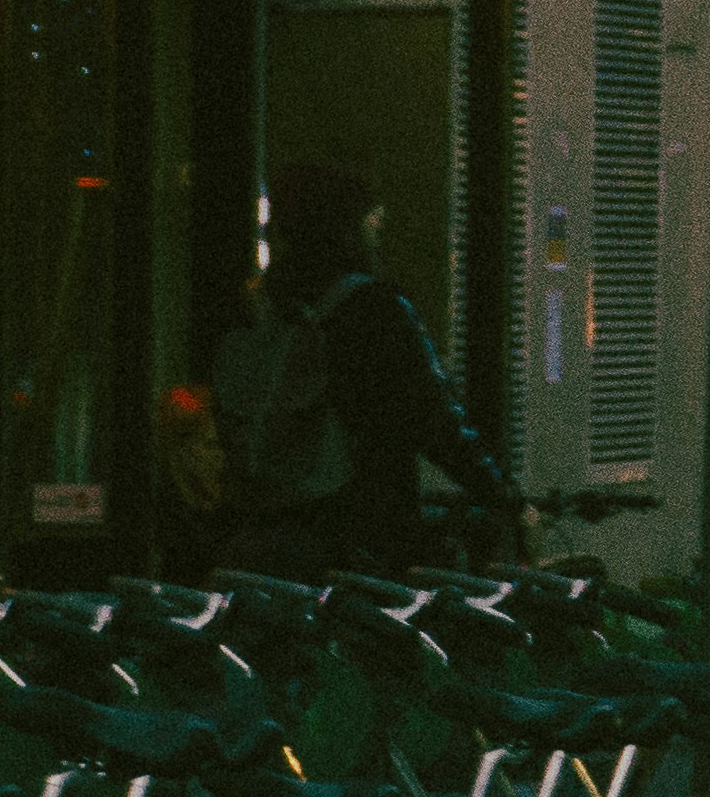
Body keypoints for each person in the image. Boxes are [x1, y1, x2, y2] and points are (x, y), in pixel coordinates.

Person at [214, 161, 511, 574]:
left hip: (263, 536)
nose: (378, 235)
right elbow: (437, 419)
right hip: (357, 545)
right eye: (373, 223)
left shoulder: (259, 308)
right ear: (349, 228)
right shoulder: (374, 310)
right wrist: (506, 500)